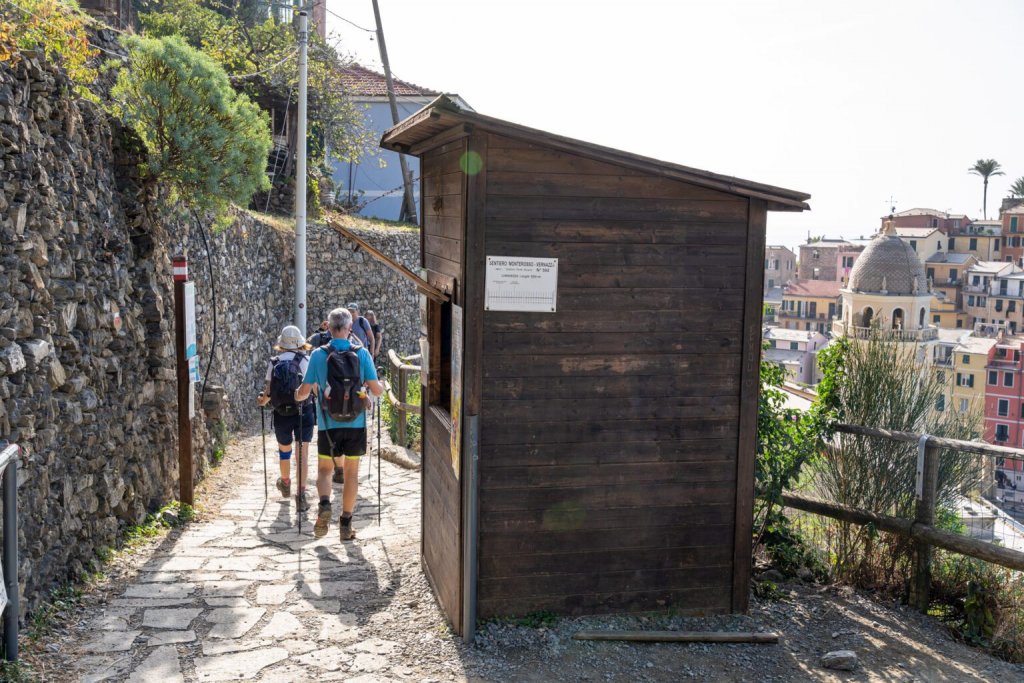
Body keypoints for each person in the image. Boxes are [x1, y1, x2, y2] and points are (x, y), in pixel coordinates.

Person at [295, 308, 383, 540]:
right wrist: (380, 386)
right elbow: (376, 390)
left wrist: (297, 394)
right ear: (348, 328)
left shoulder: (318, 355)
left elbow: (303, 393)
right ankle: (345, 524)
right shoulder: (362, 354)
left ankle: (324, 504)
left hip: (327, 424)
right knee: (351, 474)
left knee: (325, 470)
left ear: (329, 327)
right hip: (356, 424)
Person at [256, 325, 314, 512]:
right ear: (299, 342)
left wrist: (262, 401)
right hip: (303, 410)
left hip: (281, 412)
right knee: (302, 452)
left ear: (282, 343)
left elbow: (268, 392)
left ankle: (286, 482)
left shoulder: (274, 362)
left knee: (285, 450)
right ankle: (302, 493)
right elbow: (312, 388)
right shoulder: (305, 360)